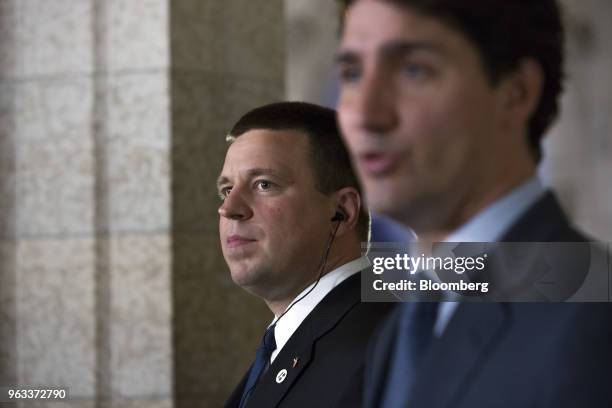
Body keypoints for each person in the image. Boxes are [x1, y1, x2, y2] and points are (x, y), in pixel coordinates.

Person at [335, 0, 611, 407]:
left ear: (516, 93)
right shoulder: (397, 331)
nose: (366, 114)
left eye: (414, 70)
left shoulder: (595, 317)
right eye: (352, 74)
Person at [218, 101, 392, 408]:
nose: (229, 209)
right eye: (226, 189)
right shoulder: (288, 343)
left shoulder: (385, 344)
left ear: (342, 211)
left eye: (263, 184)